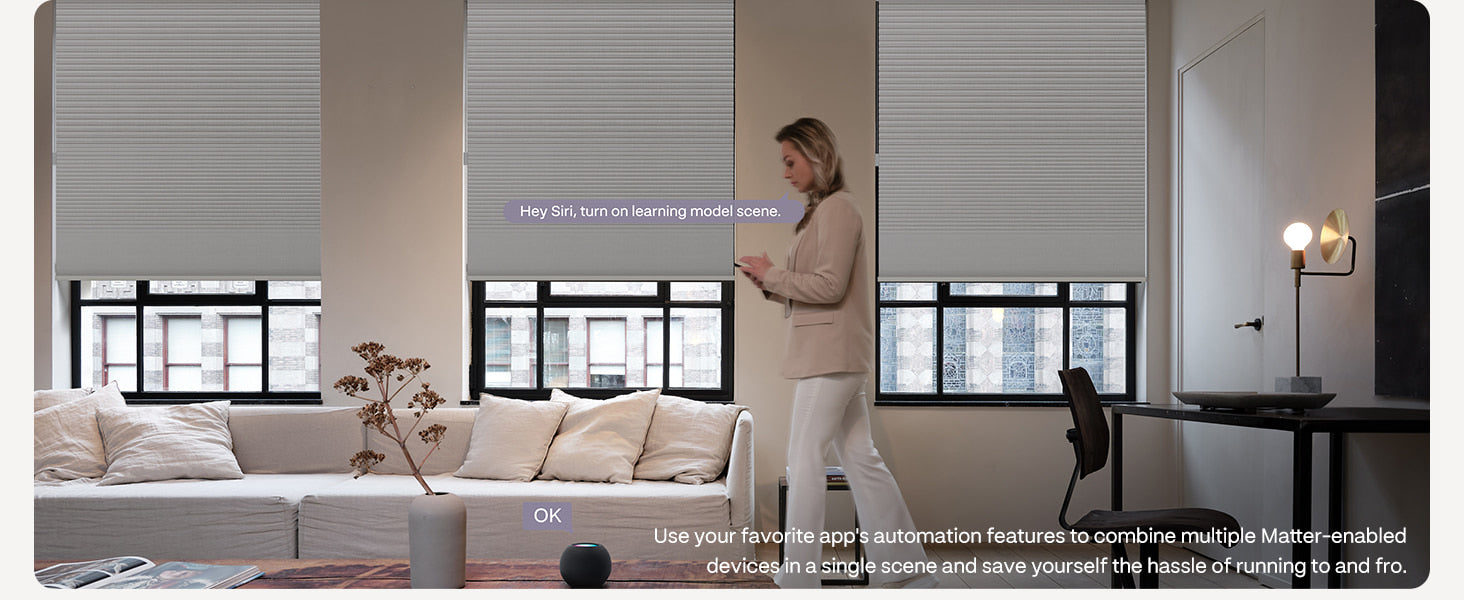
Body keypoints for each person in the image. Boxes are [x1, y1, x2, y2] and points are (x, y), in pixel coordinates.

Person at [738, 117, 937, 589]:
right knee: (860, 457)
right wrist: (767, 283)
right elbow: (817, 286)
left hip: (830, 356)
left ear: (816, 155)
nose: (785, 173)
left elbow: (829, 286)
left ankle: (799, 578)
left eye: (790, 161)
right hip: (833, 355)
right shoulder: (824, 211)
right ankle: (906, 570)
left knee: (803, 456)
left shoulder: (840, 209)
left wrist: (772, 275)